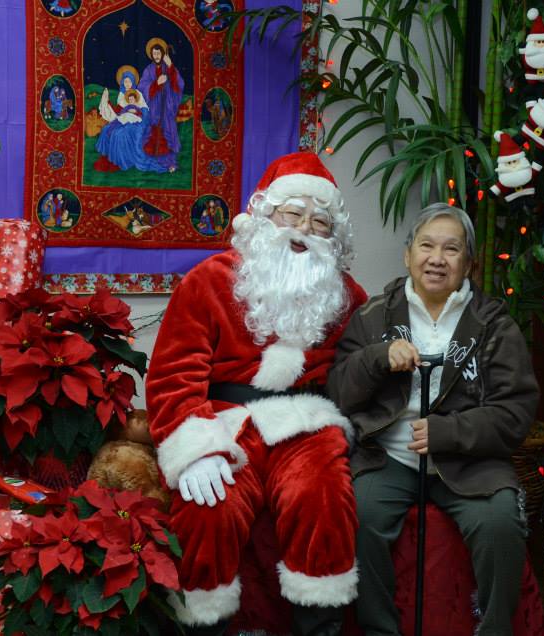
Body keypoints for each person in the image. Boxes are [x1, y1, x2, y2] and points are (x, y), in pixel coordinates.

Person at [146, 152, 366, 636]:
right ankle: (201, 627)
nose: (304, 229)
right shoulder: (209, 280)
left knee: (322, 495)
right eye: (293, 214)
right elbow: (173, 375)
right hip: (224, 419)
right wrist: (194, 447)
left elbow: (363, 374)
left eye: (320, 222)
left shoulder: (348, 295)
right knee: (208, 508)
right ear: (265, 216)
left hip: (308, 423)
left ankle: (320, 626)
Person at [328, 203, 539, 636]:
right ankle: (379, 631)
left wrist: (449, 432)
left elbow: (515, 412)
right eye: (426, 246)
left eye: (451, 249)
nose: (436, 259)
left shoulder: (494, 325)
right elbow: (339, 393)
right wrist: (376, 358)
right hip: (388, 456)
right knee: (360, 515)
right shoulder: (373, 316)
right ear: (408, 255)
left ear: (469, 263)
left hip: (470, 461)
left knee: (500, 523)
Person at [141, 38, 184, 171]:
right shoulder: (148, 70)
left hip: (167, 107)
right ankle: (152, 160)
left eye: (159, 53)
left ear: (163, 54)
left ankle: (170, 162)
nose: (156, 56)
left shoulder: (168, 68)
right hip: (153, 107)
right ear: (151, 55)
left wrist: (170, 66)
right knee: (153, 133)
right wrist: (156, 83)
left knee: (168, 133)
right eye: (154, 54)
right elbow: (142, 87)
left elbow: (179, 84)